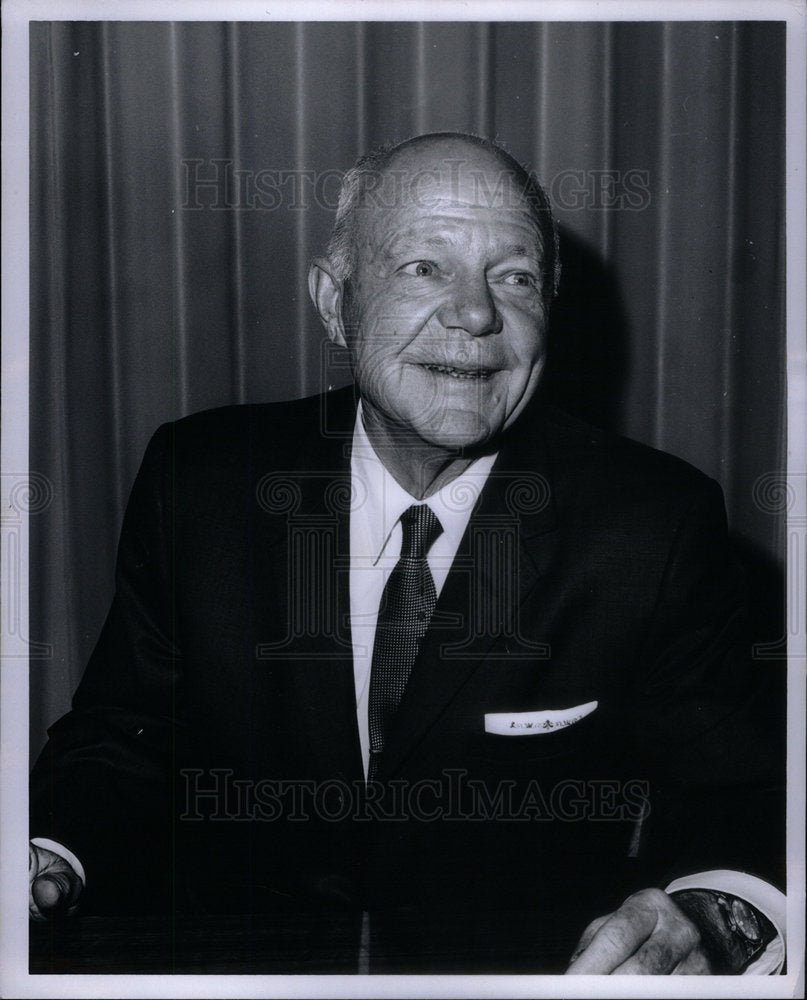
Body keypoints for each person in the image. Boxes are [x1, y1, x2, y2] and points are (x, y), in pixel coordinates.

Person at [29, 132, 786, 974]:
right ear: (333, 301)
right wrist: (47, 857)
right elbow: (121, 739)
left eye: (514, 276)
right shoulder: (200, 480)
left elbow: (744, 796)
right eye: (423, 267)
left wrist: (709, 919)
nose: (474, 313)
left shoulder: (652, 522)